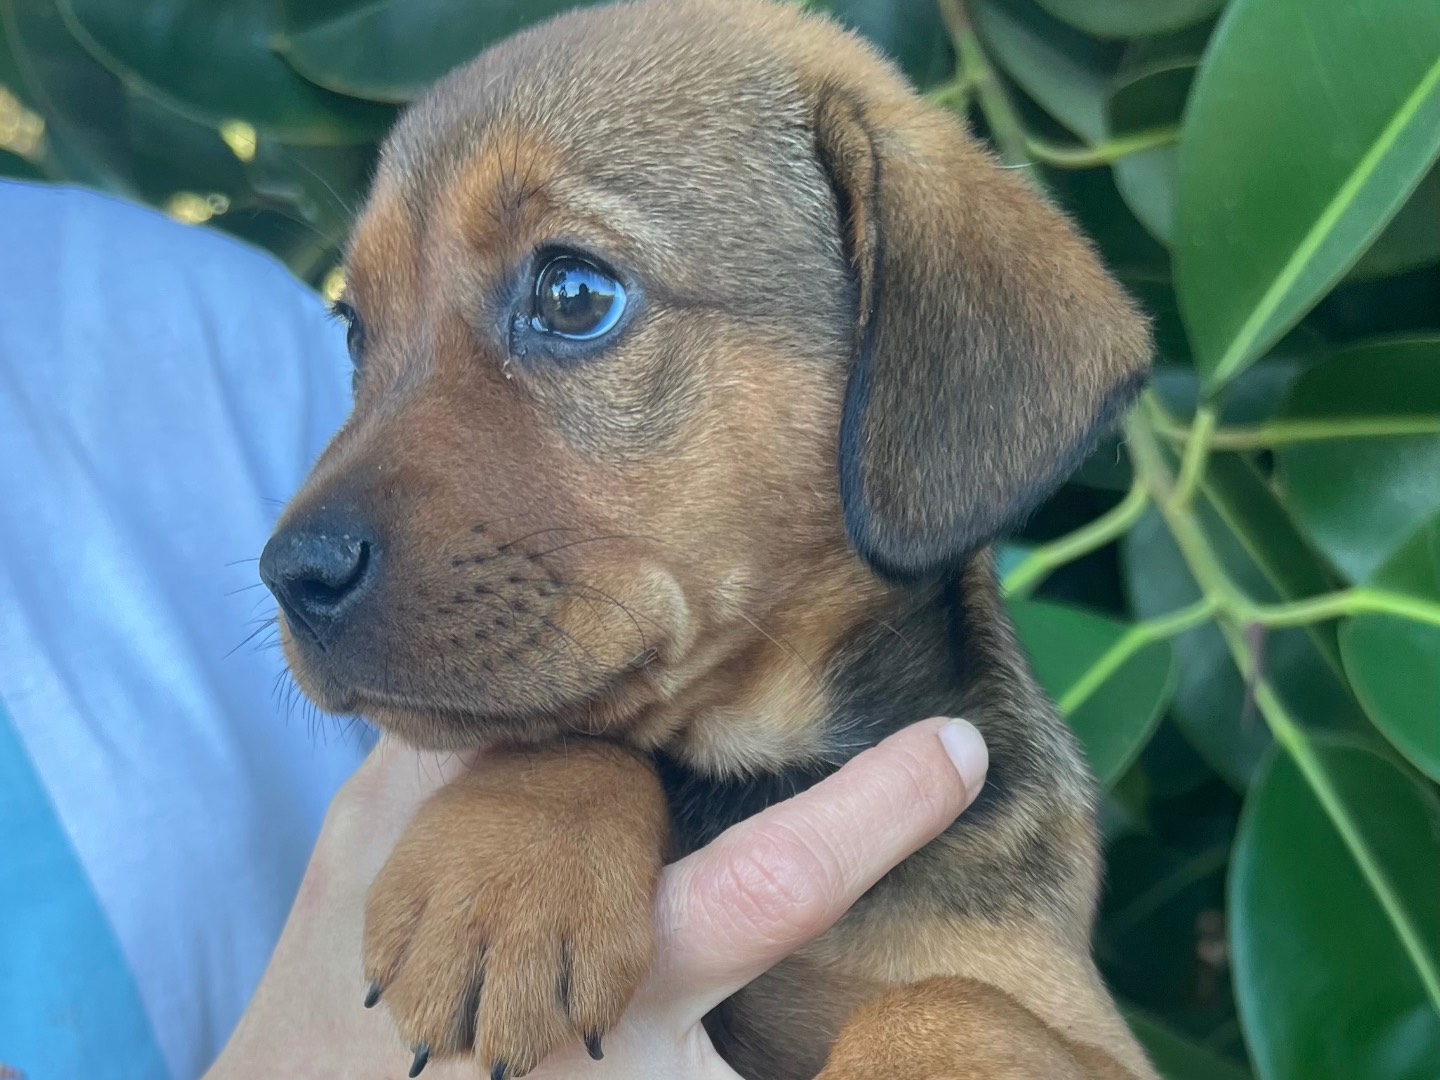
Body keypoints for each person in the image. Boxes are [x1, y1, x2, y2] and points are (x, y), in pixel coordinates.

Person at [0, 180, 989, 1080]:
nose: (299, 544)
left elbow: (509, 678)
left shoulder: (168, 303)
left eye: (570, 301)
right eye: (363, 340)